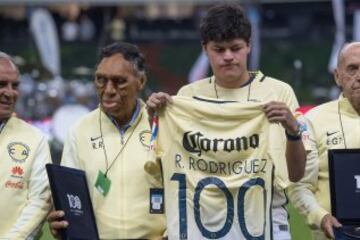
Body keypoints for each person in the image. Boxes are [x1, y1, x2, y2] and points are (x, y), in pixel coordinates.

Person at [146, 3, 307, 240]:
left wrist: (293, 130)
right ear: (205, 49)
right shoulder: (187, 97)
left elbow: (296, 174)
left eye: (235, 48)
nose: (228, 57)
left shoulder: (279, 93)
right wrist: (156, 120)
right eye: (219, 50)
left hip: (265, 226)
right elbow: (164, 166)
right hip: (203, 225)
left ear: (249, 45)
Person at [47, 42, 166, 239]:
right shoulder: (80, 131)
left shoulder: (160, 126)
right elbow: (70, 197)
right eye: (101, 80)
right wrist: (62, 223)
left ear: (141, 81)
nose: (109, 90)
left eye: (119, 81)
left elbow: (180, 190)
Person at [288, 42, 360, 240]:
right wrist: (321, 217)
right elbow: (300, 186)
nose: (359, 77)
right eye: (352, 69)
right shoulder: (311, 121)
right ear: (338, 76)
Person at [0, 52, 52, 239]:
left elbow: (40, 201)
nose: (9, 92)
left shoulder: (35, 138)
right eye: (1, 84)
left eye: (15, 86)